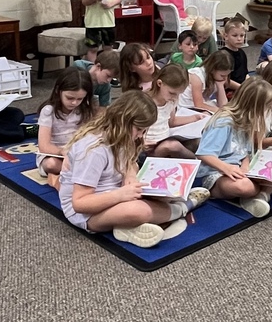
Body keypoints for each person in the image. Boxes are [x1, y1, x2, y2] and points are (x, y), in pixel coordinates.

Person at [58, 90, 210, 248]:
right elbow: (80, 203)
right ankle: (183, 207)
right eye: (139, 129)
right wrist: (120, 195)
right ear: (123, 120)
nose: (140, 136)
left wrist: (129, 175)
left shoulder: (123, 135)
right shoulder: (94, 150)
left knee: (164, 191)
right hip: (87, 214)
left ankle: (127, 227)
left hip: (115, 193)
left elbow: (130, 161)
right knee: (138, 211)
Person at [195, 78, 272, 218]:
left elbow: (247, 153)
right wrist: (227, 168)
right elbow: (204, 154)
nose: (268, 111)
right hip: (218, 174)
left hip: (242, 170)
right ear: (254, 106)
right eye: (266, 107)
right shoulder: (224, 121)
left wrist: (245, 167)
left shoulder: (250, 119)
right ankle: (259, 191)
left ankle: (261, 195)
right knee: (244, 186)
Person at [36, 66, 94, 190]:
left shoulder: (84, 111)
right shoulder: (48, 111)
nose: (74, 103)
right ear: (58, 90)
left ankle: (69, 176)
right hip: (54, 155)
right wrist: (63, 152)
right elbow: (44, 146)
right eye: (70, 98)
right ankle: (59, 177)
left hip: (77, 155)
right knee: (52, 164)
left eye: (80, 99)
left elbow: (89, 137)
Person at [143, 63, 207, 158]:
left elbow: (172, 122)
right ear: (159, 83)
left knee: (197, 140)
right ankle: (197, 161)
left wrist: (195, 118)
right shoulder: (144, 101)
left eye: (179, 94)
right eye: (172, 93)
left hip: (165, 139)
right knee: (173, 146)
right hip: (148, 148)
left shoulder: (171, 101)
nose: (175, 97)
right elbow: (130, 129)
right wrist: (141, 143)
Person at [220, 18, 249, 92]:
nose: (239, 39)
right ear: (226, 36)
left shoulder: (242, 53)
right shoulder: (223, 55)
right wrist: (242, 88)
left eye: (242, 35)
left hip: (242, 88)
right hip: (229, 91)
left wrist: (250, 84)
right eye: (235, 35)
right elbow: (225, 80)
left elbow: (245, 74)